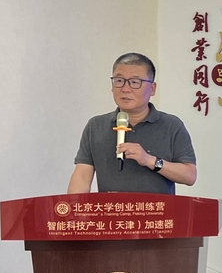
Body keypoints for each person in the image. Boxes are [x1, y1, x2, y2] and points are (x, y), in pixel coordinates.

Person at [67, 52, 197, 194]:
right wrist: (73, 205)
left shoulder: (171, 126)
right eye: (119, 81)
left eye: (135, 82)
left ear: (152, 89)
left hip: (156, 209)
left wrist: (149, 160)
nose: (125, 89)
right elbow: (82, 175)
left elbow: (189, 176)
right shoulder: (95, 126)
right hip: (112, 208)